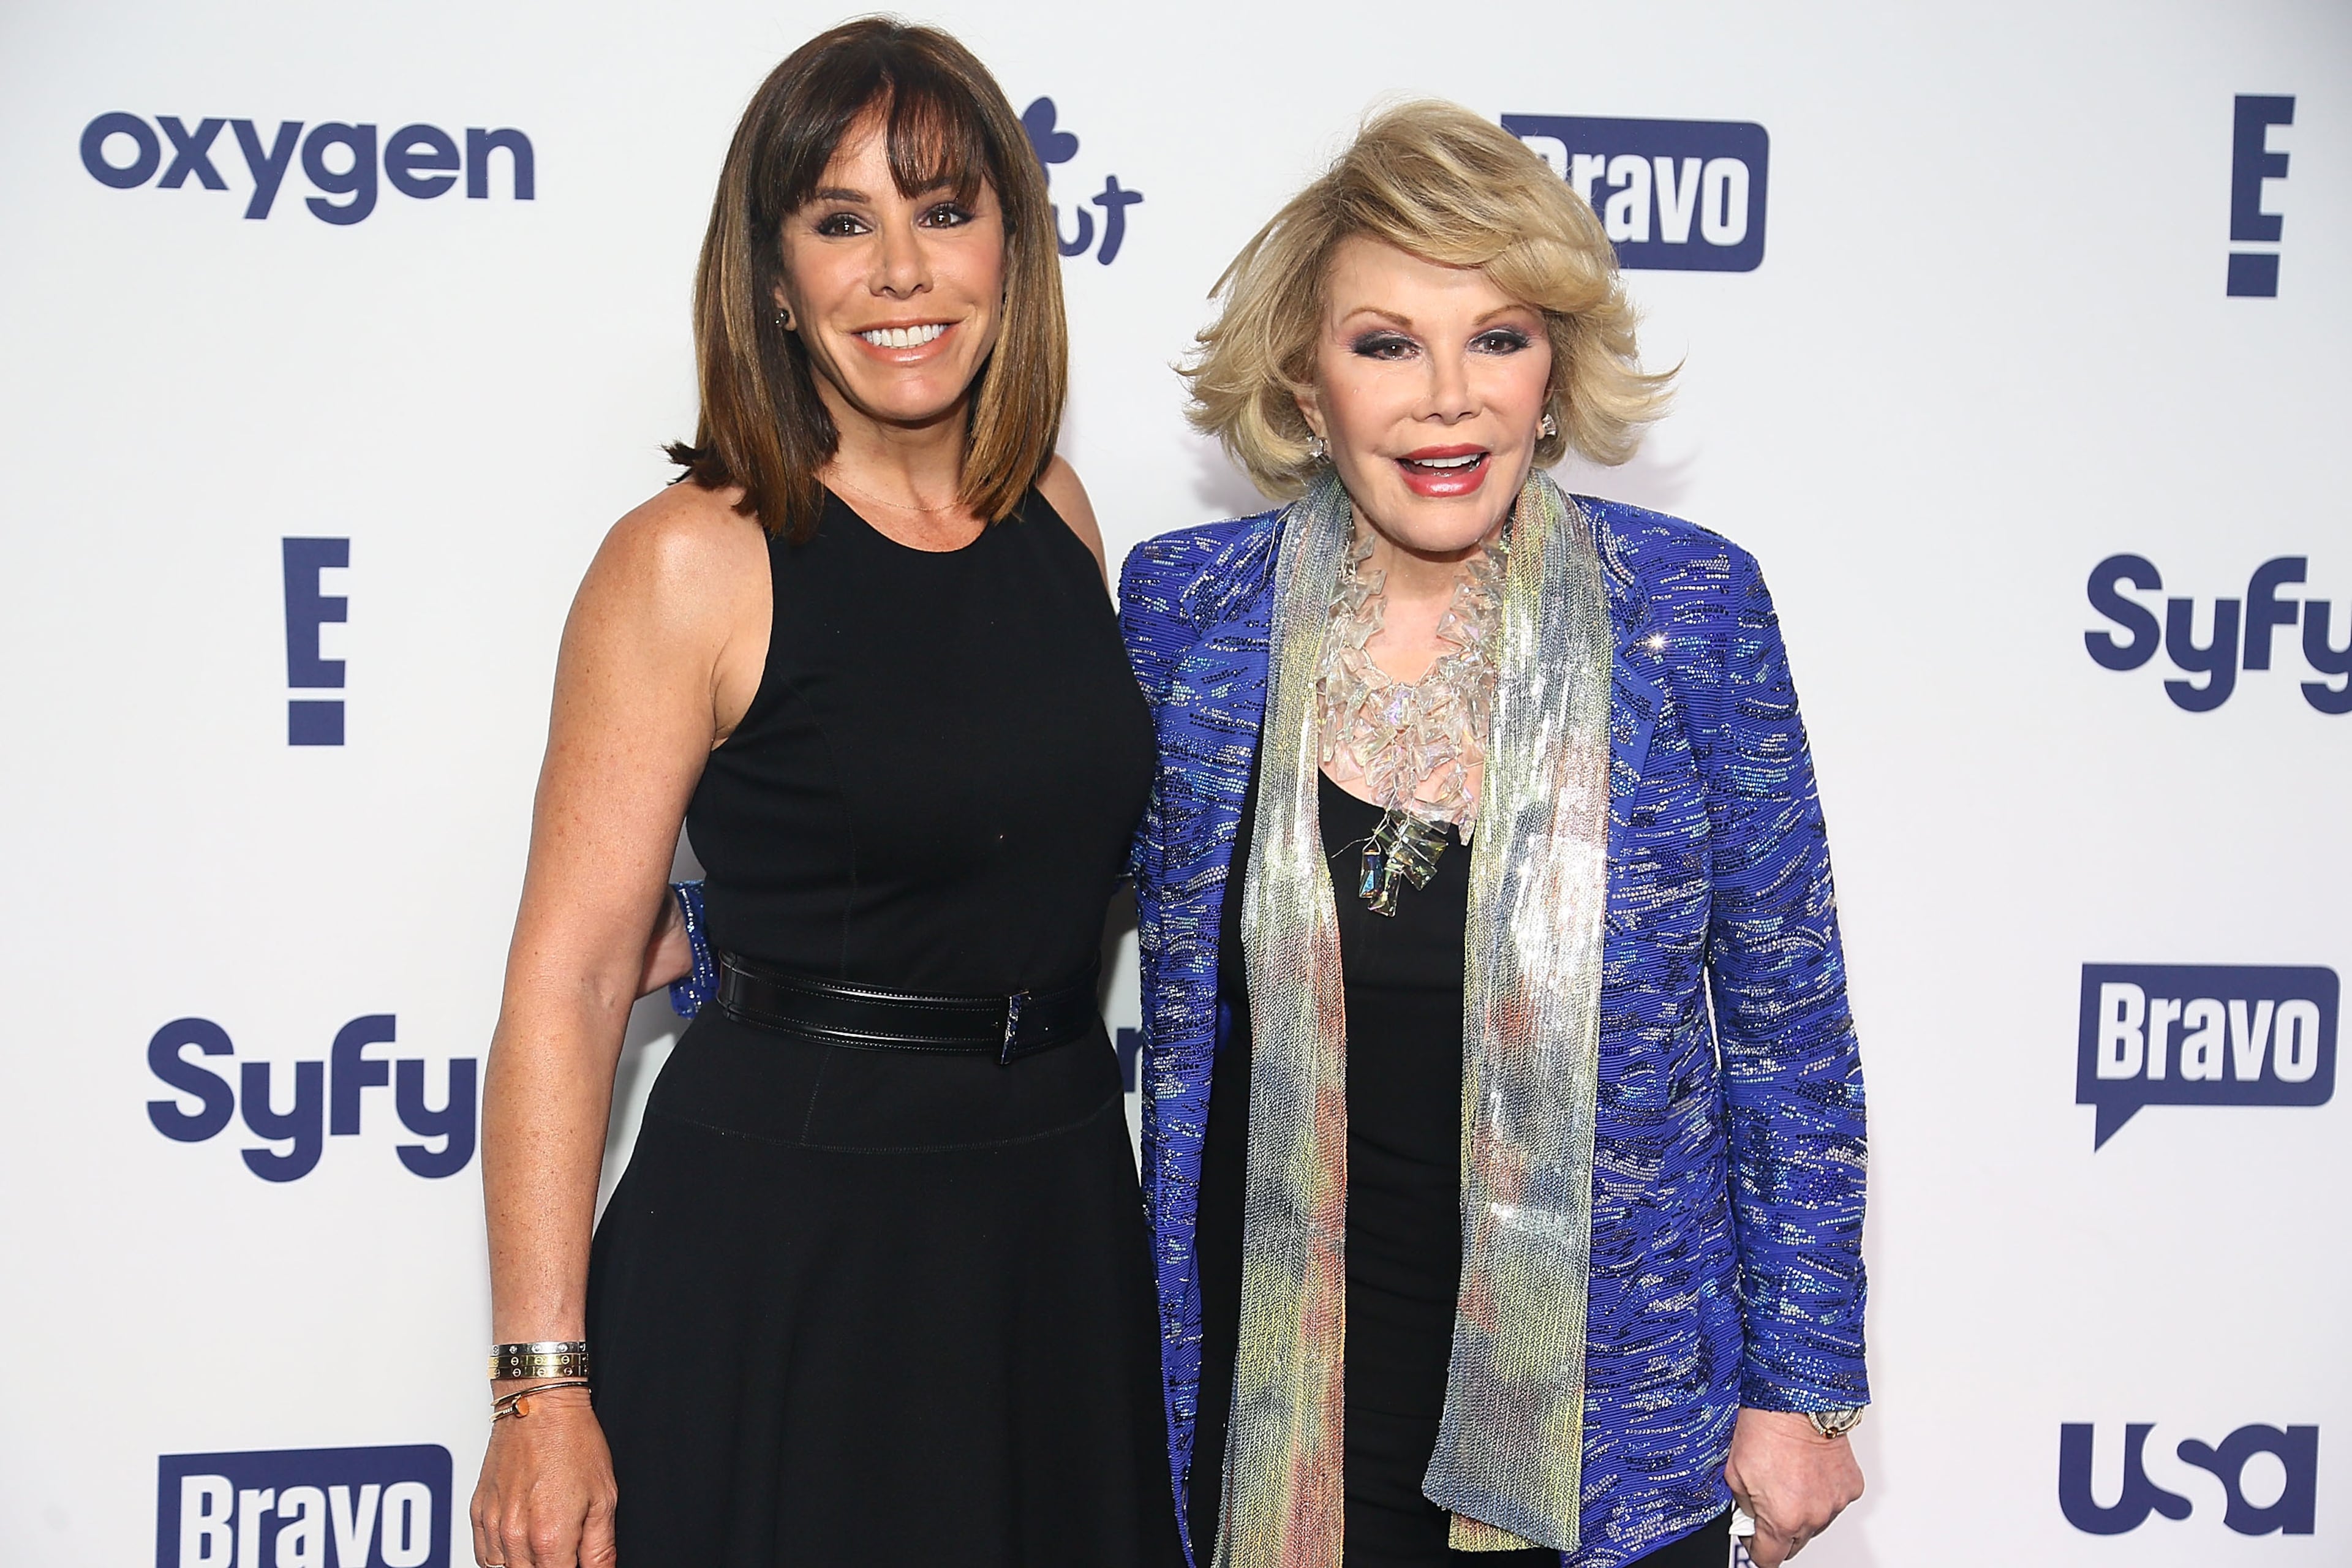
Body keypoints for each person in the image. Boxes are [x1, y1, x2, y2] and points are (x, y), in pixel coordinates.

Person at [467, 21, 1180, 1568]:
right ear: (776, 280)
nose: (903, 270)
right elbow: (573, 980)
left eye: (943, 209)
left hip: (1054, 1215)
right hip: (787, 1240)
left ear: (1013, 244)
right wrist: (540, 1389)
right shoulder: (688, 558)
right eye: (843, 221)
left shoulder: (1055, 508)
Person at [1120, 103, 1869, 1568]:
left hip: (1607, 1430)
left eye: (1500, 337)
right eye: (1386, 343)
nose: (1446, 399)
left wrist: (1806, 1390)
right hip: (1279, 1419)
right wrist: (725, 946)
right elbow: (1004, 883)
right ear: (1306, 377)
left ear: (1555, 368)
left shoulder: (1686, 610)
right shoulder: (1189, 617)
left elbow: (1790, 1023)